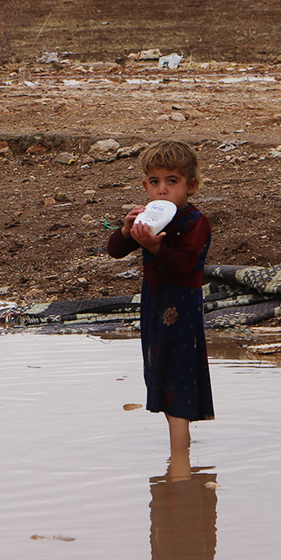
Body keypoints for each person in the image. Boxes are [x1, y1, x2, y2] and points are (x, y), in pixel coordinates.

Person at [108, 140, 213, 454]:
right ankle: (180, 460)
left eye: (172, 181)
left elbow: (185, 265)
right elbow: (114, 251)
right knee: (161, 373)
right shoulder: (150, 219)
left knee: (178, 380)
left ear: (190, 186)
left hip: (182, 309)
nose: (162, 190)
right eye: (155, 182)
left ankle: (179, 461)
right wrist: (128, 232)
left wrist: (155, 248)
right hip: (154, 307)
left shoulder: (196, 223)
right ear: (145, 185)